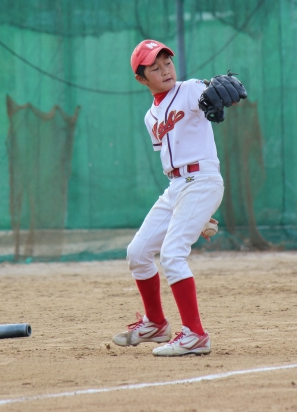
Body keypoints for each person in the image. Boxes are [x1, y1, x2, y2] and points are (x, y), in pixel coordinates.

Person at [112, 39, 243, 356]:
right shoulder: (150, 117)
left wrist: (213, 90)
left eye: (167, 63)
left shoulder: (190, 90)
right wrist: (196, 214)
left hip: (202, 179)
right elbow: (174, 151)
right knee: (138, 253)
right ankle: (156, 324)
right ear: (141, 79)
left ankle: (195, 335)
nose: (165, 70)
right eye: (155, 68)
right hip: (178, 187)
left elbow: (207, 94)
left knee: (171, 255)